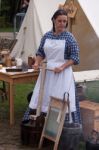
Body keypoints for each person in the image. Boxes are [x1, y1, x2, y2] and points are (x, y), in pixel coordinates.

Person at [22, 9, 81, 124]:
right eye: (60, 21)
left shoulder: (69, 37)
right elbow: (40, 53)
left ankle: (59, 127)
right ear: (54, 20)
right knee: (42, 96)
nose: (62, 24)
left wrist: (62, 67)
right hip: (48, 72)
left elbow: (75, 58)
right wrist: (37, 63)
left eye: (65, 21)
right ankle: (41, 123)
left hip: (63, 73)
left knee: (60, 98)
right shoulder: (47, 36)